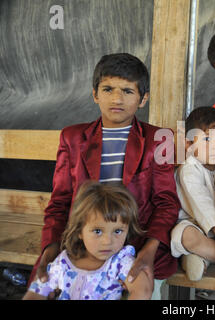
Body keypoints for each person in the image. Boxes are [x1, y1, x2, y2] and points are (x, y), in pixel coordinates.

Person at [28, 53, 180, 300]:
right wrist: (49, 251)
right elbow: (60, 202)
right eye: (108, 89)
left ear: (143, 99)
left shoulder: (159, 139)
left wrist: (148, 254)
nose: (117, 98)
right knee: (45, 285)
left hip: (135, 243)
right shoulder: (73, 138)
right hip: (83, 240)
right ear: (95, 94)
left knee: (139, 287)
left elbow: (166, 203)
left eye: (128, 91)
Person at [23, 181, 148, 300]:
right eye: (97, 231)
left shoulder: (120, 262)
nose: (107, 241)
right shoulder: (64, 261)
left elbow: (142, 290)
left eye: (117, 231)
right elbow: (36, 291)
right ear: (79, 232)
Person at [170, 107, 215, 281]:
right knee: (186, 235)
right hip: (197, 226)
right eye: (207, 139)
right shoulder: (189, 170)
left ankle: (204, 258)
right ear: (189, 144)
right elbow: (205, 208)